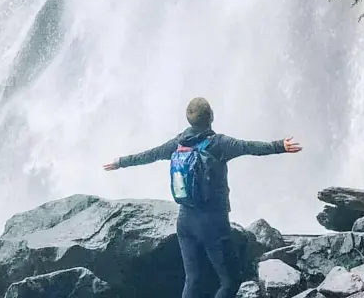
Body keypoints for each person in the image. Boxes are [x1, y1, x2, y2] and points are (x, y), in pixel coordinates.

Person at [103, 97, 302, 298]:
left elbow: (149, 155)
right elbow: (249, 147)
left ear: (189, 120)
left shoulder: (178, 143)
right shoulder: (219, 144)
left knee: (193, 279)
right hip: (213, 223)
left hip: (185, 222)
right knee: (230, 281)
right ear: (211, 117)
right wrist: (280, 145)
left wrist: (120, 162)